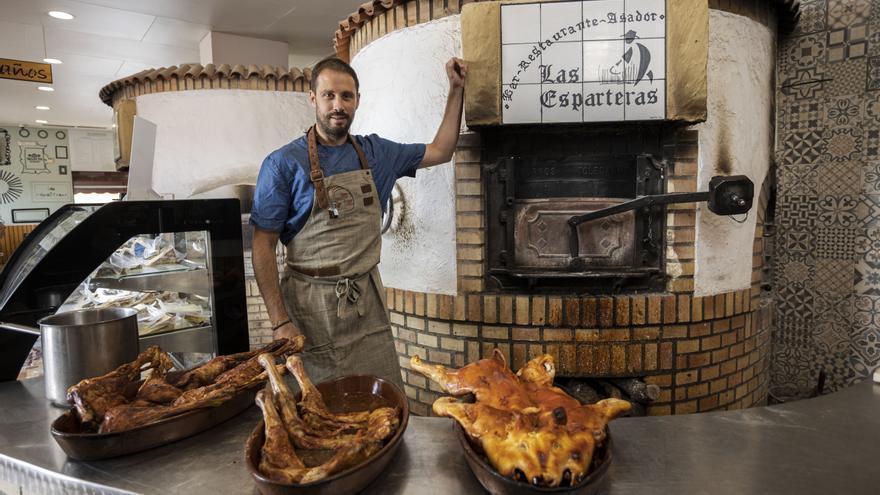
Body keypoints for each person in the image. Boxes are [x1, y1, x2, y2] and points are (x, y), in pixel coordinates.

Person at [250, 56, 467, 388]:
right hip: (310, 308)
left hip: (365, 304)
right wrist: (280, 322)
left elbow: (441, 150)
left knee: (379, 401)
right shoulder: (282, 164)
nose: (338, 105)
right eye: (329, 95)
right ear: (313, 99)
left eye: (346, 96)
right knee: (316, 408)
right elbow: (262, 245)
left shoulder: (378, 153)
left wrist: (456, 90)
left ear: (357, 101)